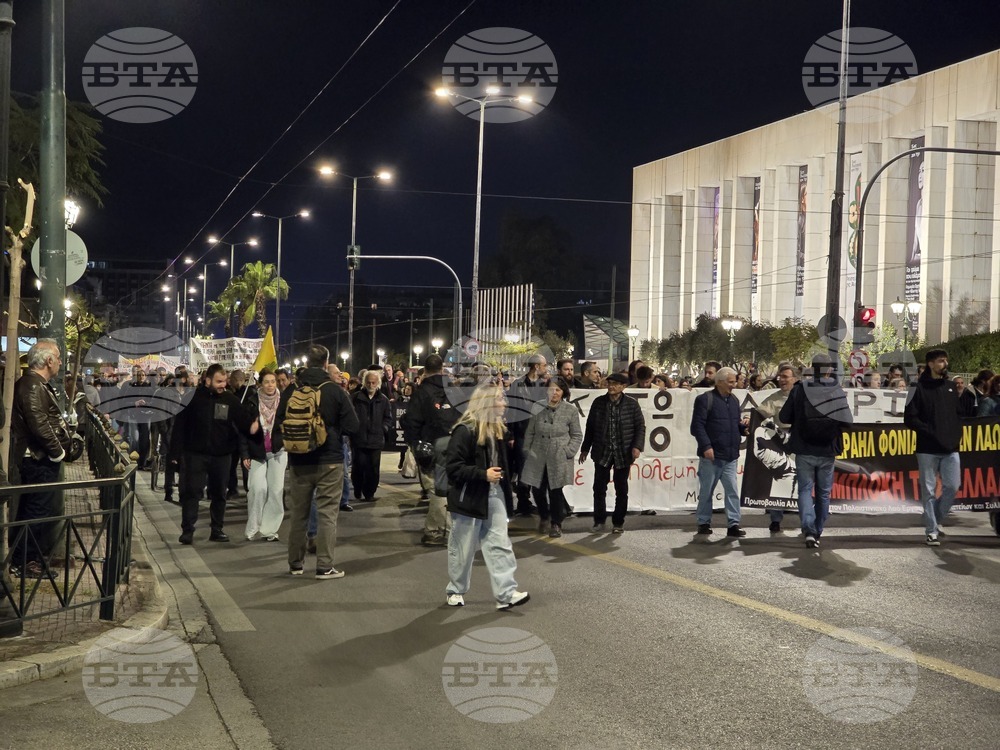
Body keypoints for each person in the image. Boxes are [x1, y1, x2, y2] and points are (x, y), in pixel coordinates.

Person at [443, 383, 529, 610]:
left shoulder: (497, 430)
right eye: (500, 399)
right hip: (468, 497)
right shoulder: (465, 430)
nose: (504, 404)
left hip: (495, 494)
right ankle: (456, 590)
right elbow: (453, 468)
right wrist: (483, 474)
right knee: (462, 548)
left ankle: (506, 594)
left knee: (500, 545)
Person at [277, 345, 360, 577]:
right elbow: (353, 426)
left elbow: (279, 422)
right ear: (326, 363)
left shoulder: (293, 389)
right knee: (327, 515)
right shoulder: (334, 391)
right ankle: (324, 566)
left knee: (299, 514)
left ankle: (295, 564)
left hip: (299, 459)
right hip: (330, 460)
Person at [169, 364, 257, 545]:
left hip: (222, 456)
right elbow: (179, 427)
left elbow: (243, 422)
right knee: (192, 492)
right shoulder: (191, 398)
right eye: (218, 381)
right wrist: (174, 454)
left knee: (219, 494)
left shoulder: (230, 399)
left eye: (224, 381)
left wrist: (253, 425)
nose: (222, 385)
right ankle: (188, 530)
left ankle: (217, 529)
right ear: (207, 380)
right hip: (195, 454)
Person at [8, 340, 73, 578]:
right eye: (57, 357)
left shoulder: (34, 384)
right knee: (37, 511)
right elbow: (38, 423)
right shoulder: (32, 385)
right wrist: (58, 452)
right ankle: (25, 562)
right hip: (38, 460)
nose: (60, 362)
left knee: (34, 510)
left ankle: (24, 559)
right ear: (48, 361)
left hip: (38, 458)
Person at [779, 355, 852, 548]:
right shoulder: (836, 390)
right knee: (823, 493)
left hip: (804, 448)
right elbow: (847, 421)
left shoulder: (800, 389)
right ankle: (817, 530)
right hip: (827, 449)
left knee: (804, 489)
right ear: (829, 370)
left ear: (813, 369)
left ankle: (809, 529)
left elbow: (784, 416)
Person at [904, 349, 963, 546]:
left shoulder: (951, 387)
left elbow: (957, 415)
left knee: (953, 487)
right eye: (940, 361)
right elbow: (909, 418)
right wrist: (929, 431)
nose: (944, 363)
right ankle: (931, 530)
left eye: (946, 360)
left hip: (950, 448)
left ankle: (934, 518)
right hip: (927, 448)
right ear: (930, 364)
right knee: (928, 491)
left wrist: (954, 435)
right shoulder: (917, 388)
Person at [401, 354, 460, 546]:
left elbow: (412, 421)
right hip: (454, 443)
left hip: (431, 444)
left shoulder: (422, 391)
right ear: (442, 369)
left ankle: (435, 531)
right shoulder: (454, 389)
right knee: (450, 487)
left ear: (424, 370)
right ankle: (449, 528)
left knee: (436, 488)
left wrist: (414, 443)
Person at [579, 372, 645, 534]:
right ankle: (599, 521)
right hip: (603, 451)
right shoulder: (599, 403)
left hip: (623, 452)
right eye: (609, 383)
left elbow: (640, 427)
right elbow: (590, 428)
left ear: (623, 387)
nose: (611, 386)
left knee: (621, 489)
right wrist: (585, 448)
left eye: (615, 384)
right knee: (599, 488)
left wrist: (637, 446)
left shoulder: (632, 404)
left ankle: (618, 522)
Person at [520, 377, 583, 538]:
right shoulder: (537, 406)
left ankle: (556, 523)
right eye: (551, 389)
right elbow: (530, 432)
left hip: (558, 454)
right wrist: (527, 450)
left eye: (558, 390)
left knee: (555, 490)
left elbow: (576, 434)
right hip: (538, 453)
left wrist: (568, 452)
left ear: (563, 392)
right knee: (538, 489)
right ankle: (544, 515)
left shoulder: (570, 410)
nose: (554, 393)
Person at [690, 366, 747, 537]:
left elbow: (733, 424)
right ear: (720, 382)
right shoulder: (705, 400)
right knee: (707, 491)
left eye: (734, 381)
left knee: (732, 491)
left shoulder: (734, 401)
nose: (734, 385)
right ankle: (703, 522)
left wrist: (742, 429)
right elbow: (697, 426)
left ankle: (733, 524)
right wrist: (707, 446)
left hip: (729, 456)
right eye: (731, 382)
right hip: (712, 456)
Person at [240, 370, 286, 542]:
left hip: (278, 452)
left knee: (275, 491)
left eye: (273, 381)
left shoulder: (283, 402)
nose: (270, 385)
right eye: (266, 382)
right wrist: (244, 453)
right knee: (258, 489)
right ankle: (253, 527)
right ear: (260, 384)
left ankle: (269, 530)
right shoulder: (252, 402)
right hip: (257, 452)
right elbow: (243, 431)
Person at [754, 361, 797, 533]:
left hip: (800, 443)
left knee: (803, 483)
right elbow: (759, 413)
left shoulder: (803, 396)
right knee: (780, 481)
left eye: (786, 377)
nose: (782, 380)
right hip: (782, 444)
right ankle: (776, 519)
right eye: (780, 377)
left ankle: (807, 520)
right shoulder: (774, 398)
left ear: (795, 379)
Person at [508, 353, 550, 516]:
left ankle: (538, 501)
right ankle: (524, 501)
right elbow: (512, 410)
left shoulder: (544, 385)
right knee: (524, 467)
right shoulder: (518, 385)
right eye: (544, 365)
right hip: (522, 433)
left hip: (539, 433)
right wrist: (511, 435)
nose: (546, 368)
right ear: (536, 367)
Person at [350, 369, 392, 502]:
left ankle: (370, 493)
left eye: (374, 382)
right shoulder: (355, 398)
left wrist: (383, 429)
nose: (371, 385)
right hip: (359, 439)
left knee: (373, 468)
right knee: (359, 466)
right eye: (368, 382)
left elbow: (388, 418)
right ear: (364, 382)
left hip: (376, 439)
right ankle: (357, 487)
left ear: (378, 383)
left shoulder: (383, 400)